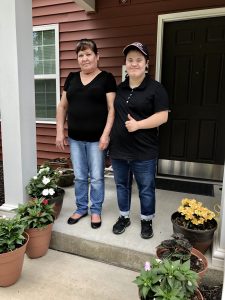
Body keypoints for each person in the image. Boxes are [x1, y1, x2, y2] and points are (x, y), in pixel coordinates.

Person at [109, 42, 169, 239]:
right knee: (121, 185)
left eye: (139, 60)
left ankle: (146, 219)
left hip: (144, 150)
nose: (134, 64)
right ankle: (124, 217)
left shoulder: (156, 88)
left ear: (147, 63)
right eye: (130, 60)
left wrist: (138, 125)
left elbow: (163, 117)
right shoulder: (121, 88)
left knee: (145, 187)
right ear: (126, 63)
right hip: (119, 149)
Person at [56, 38, 116, 229]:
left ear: (97, 56)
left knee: (97, 177)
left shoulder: (106, 78)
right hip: (75, 138)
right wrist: (59, 132)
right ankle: (81, 208)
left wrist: (106, 134)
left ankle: (96, 210)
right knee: (80, 176)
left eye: (88, 54)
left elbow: (112, 109)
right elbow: (62, 106)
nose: (84, 58)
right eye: (81, 55)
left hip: (96, 139)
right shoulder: (72, 78)